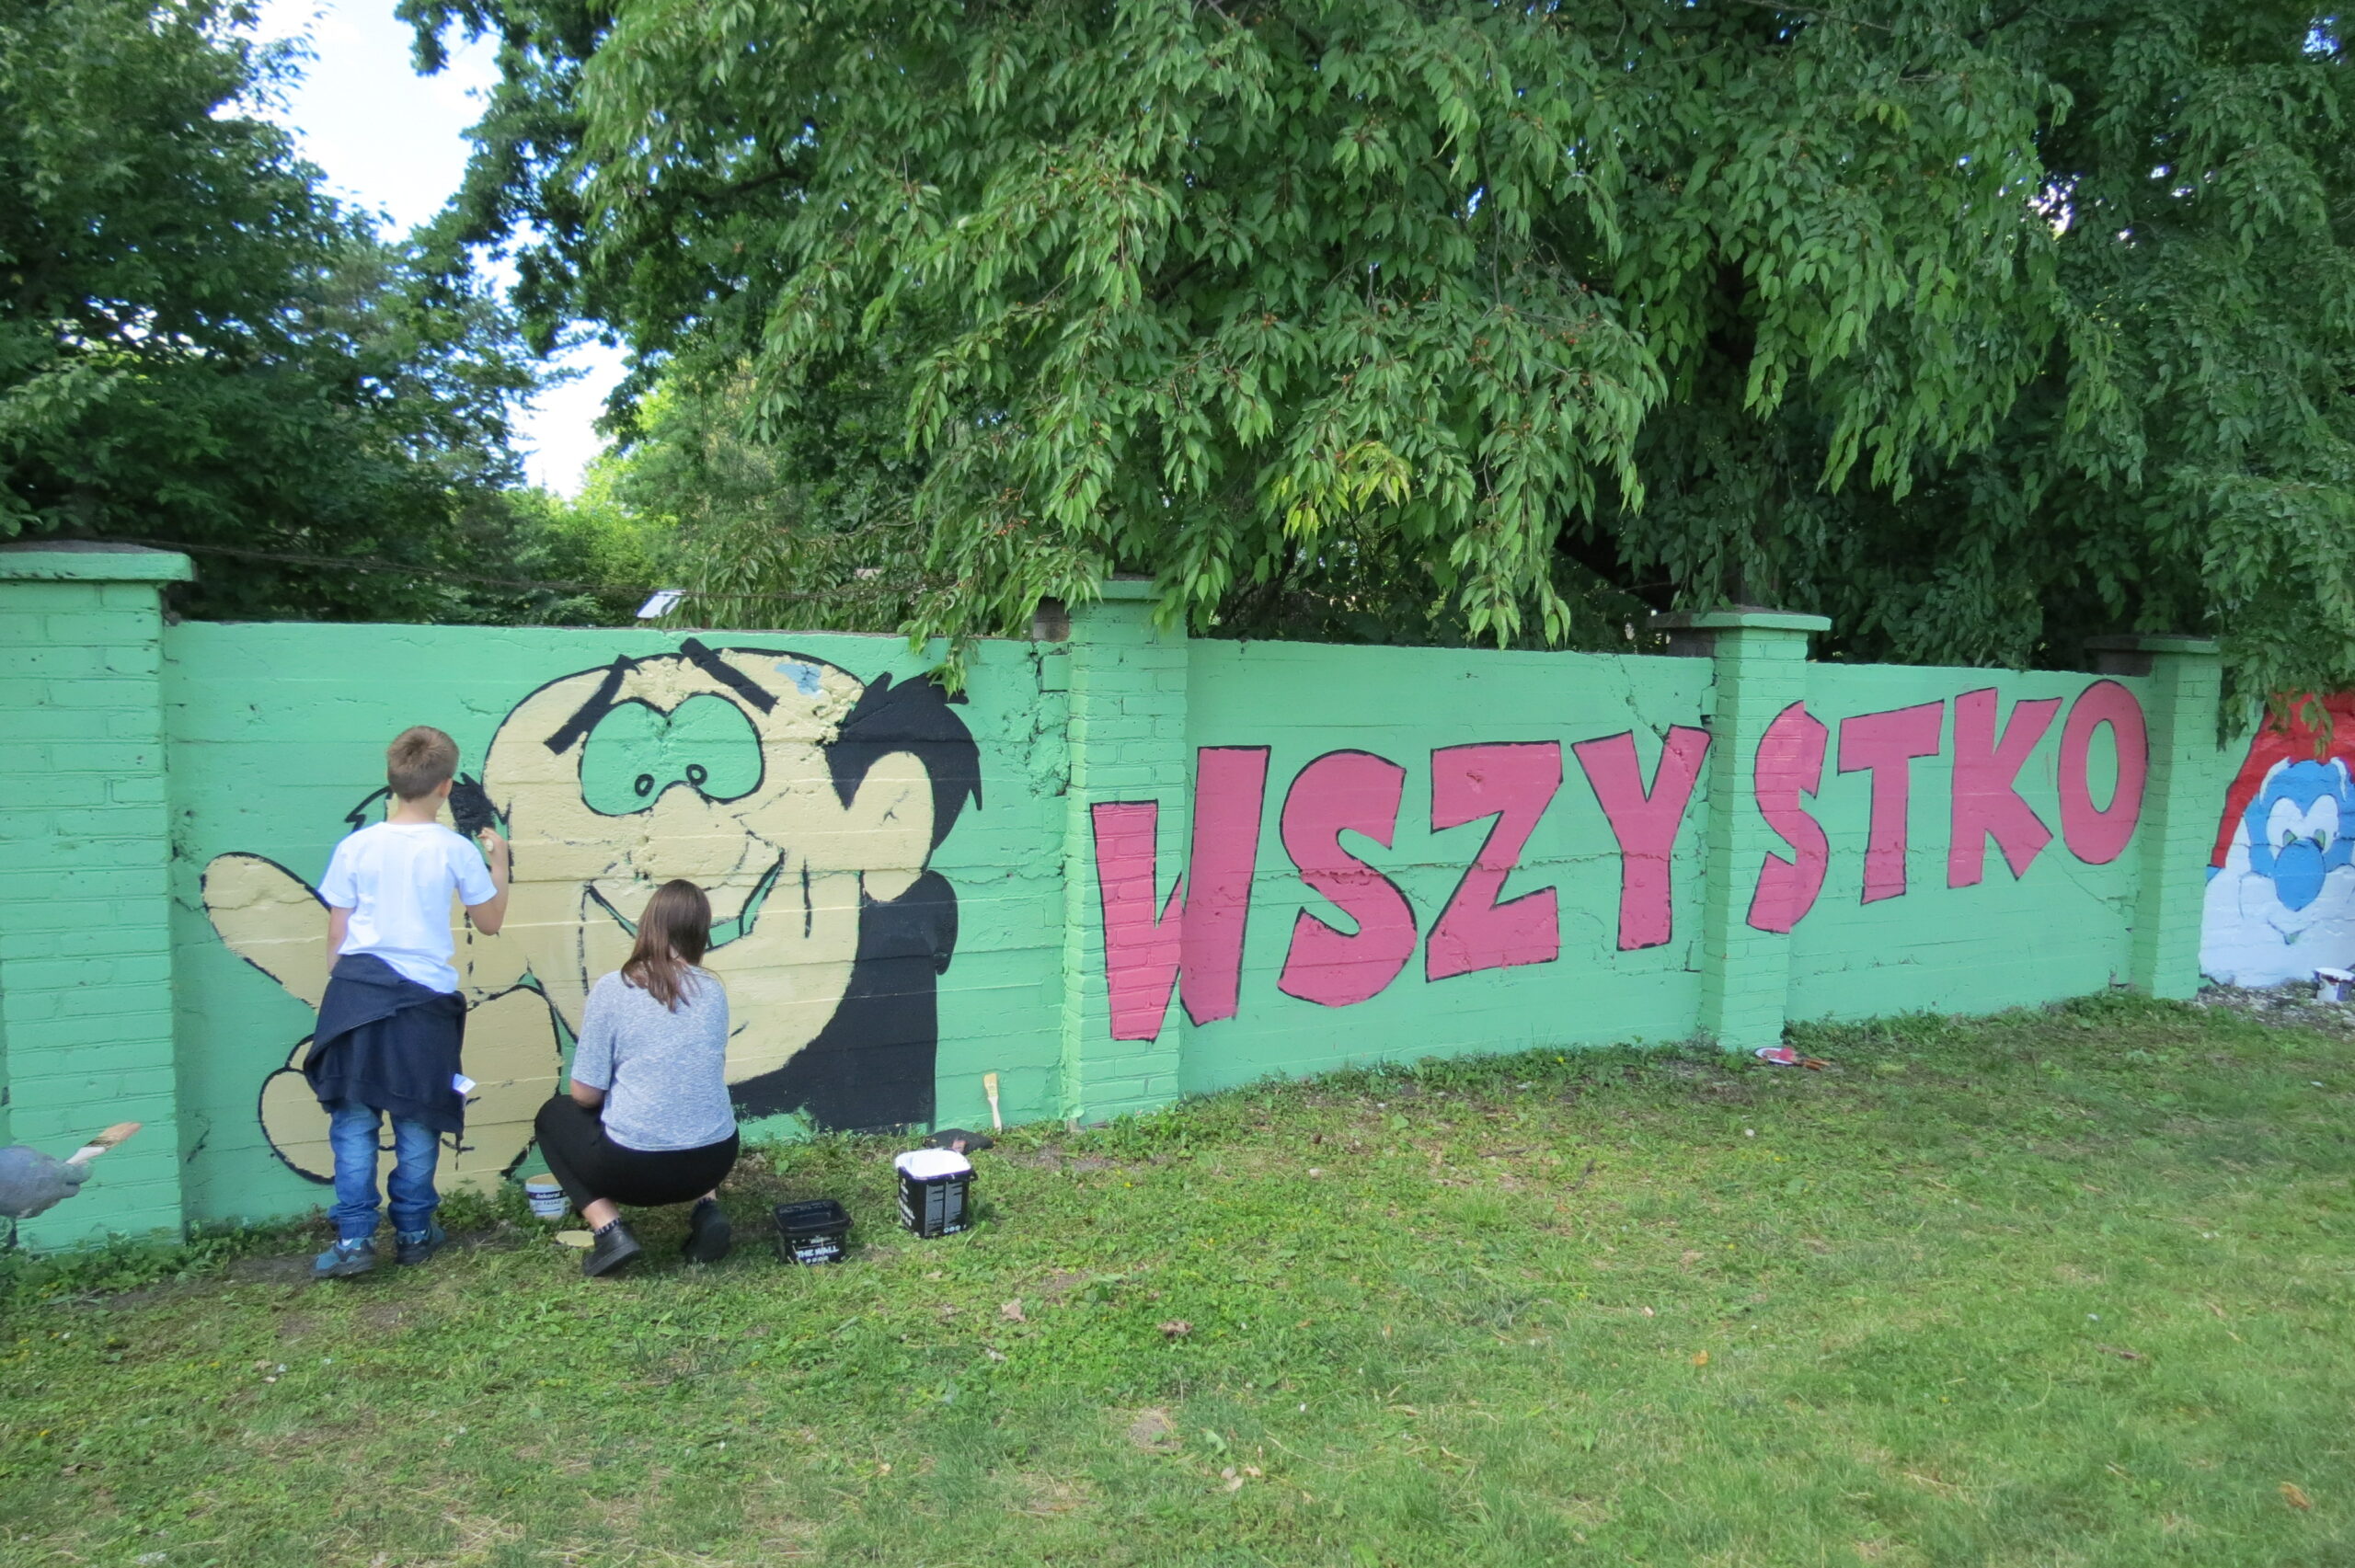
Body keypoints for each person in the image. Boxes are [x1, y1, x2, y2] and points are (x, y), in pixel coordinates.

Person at [308, 727, 511, 1279]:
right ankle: (415, 1233)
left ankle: (354, 1241)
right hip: (424, 1005)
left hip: (356, 994)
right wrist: (500, 862)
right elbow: (490, 922)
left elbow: (337, 934)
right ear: (445, 787)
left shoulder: (354, 847)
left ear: (391, 780)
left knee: (353, 1120)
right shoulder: (454, 849)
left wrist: (351, 991)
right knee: (418, 1116)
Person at [533, 879, 741, 1278]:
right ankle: (707, 1210)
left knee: (552, 1116)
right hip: (715, 1160)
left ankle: (609, 1230)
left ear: (648, 925)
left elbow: (585, 1094)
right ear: (701, 932)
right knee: (688, 1098)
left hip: (635, 1170)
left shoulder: (615, 988)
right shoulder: (714, 991)